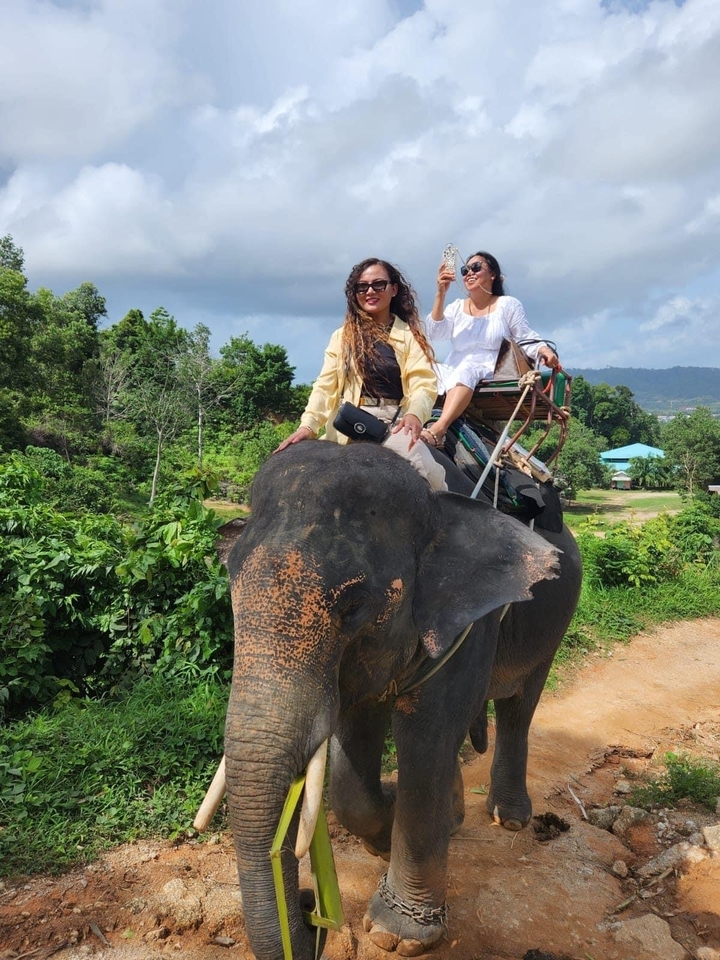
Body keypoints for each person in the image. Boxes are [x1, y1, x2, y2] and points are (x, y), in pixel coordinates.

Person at [276, 257, 447, 490]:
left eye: (379, 284)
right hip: (347, 421)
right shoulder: (342, 336)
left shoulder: (410, 336)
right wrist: (308, 426)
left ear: (394, 289)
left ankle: (439, 525)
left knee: (428, 473)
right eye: (362, 287)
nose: (370, 291)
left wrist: (415, 415)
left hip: (392, 423)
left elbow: (423, 383)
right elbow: (325, 386)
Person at [422, 250, 558, 448]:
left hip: (488, 366)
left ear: (492, 274)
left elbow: (525, 337)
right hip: (454, 364)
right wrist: (440, 293)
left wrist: (544, 350)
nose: (469, 273)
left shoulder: (507, 305)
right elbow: (435, 333)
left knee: (467, 370)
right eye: (464, 270)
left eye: (476, 267)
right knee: (422, 367)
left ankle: (439, 429)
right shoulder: (456, 307)